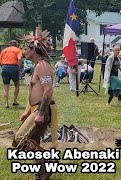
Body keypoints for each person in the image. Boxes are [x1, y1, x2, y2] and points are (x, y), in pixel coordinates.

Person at [12, 26, 58, 179]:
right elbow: (34, 91)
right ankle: (43, 172)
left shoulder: (43, 66)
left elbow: (48, 91)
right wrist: (27, 110)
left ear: (34, 49)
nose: (24, 51)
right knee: (33, 141)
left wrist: (39, 113)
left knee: (20, 139)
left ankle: (49, 161)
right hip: (35, 109)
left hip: (41, 109)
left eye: (26, 47)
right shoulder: (38, 66)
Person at [0, 40, 23, 108]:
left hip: (4, 67)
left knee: (6, 87)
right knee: (17, 84)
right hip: (13, 67)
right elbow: (19, 59)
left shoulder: (4, 50)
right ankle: (14, 101)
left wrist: (4, 67)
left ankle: (6, 104)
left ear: (9, 45)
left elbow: (0, 61)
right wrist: (19, 69)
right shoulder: (18, 50)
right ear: (16, 45)